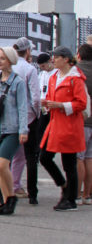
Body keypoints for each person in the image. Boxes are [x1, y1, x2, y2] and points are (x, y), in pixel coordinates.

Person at [0, 47, 29, 216]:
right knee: (0, 168)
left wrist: (24, 130)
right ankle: (6, 200)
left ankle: (11, 197)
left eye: (2, 58)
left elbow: (23, 108)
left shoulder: (18, 82)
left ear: (10, 60)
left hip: (12, 130)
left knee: (2, 164)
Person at [39, 45, 88, 211]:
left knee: (69, 163)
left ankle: (70, 198)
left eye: (57, 57)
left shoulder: (76, 79)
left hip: (69, 125)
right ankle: (65, 187)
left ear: (66, 59)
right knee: (45, 157)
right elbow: (50, 97)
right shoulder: (54, 77)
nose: (54, 59)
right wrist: (47, 104)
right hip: (55, 123)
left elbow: (81, 103)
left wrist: (60, 105)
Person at [9, 37, 41, 203]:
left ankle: (11, 187)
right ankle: (32, 194)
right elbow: (35, 97)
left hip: (11, 116)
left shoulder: (10, 67)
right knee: (31, 157)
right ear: (27, 51)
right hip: (28, 117)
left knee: (13, 154)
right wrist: (37, 113)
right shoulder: (30, 69)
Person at [76, 44, 92, 203]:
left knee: (78, 157)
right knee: (89, 157)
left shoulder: (77, 71)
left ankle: (76, 192)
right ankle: (87, 194)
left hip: (82, 119)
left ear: (79, 55)